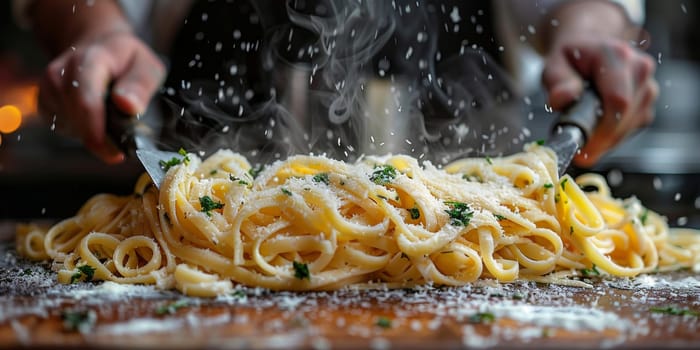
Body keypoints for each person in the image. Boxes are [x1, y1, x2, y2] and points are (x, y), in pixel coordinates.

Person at [16, 0, 657, 167]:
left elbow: (583, 5)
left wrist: (595, 29)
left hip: (479, 225)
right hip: (199, 197)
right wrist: (97, 33)